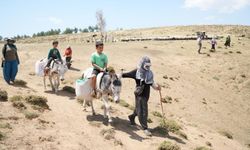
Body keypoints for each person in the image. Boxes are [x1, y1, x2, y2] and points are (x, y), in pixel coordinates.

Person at [121, 56, 161, 136]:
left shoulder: (149, 73)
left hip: (146, 94)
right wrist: (115, 75)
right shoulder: (136, 72)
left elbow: (151, 83)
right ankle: (145, 128)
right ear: (142, 64)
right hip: (139, 94)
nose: (148, 67)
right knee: (143, 111)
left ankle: (132, 117)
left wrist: (157, 87)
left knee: (139, 109)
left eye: (149, 65)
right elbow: (126, 74)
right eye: (146, 65)